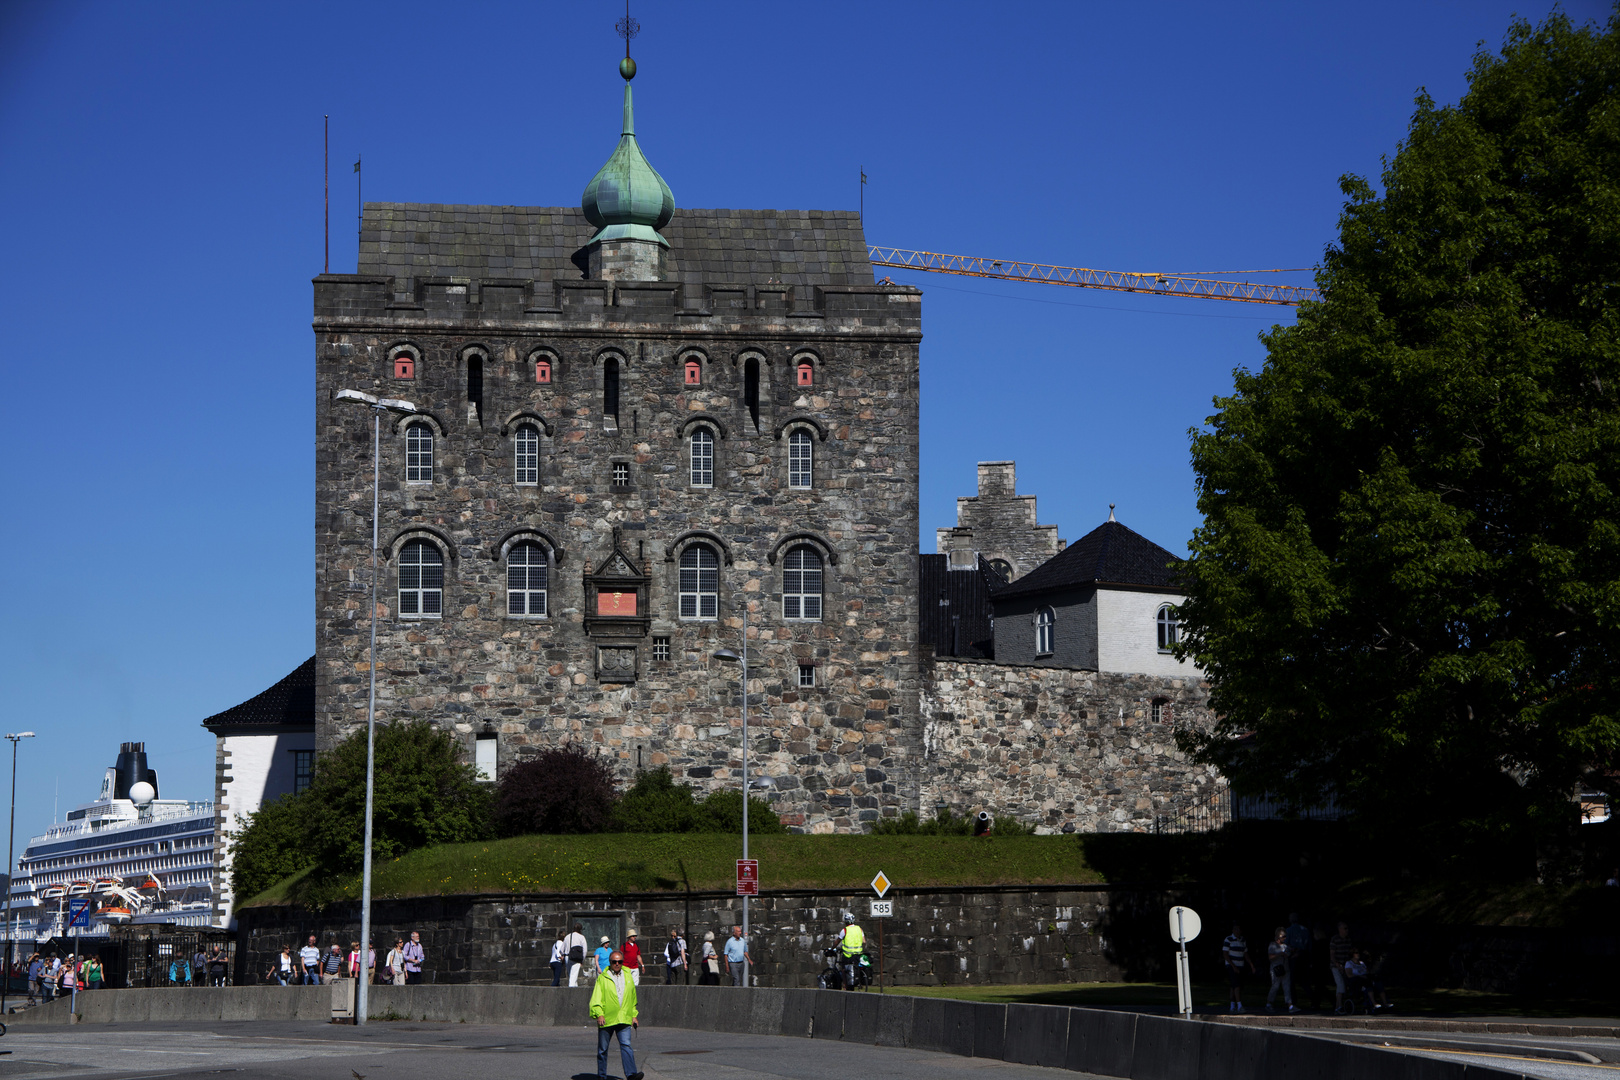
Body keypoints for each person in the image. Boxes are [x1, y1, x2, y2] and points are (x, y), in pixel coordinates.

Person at [589, 950, 642, 1080]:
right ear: (610, 962)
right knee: (603, 1049)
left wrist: (634, 1015)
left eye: (620, 962)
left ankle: (631, 1074)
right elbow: (596, 998)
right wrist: (599, 1014)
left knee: (626, 1045)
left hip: (624, 1017)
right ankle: (602, 1076)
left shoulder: (628, 976)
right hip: (607, 1018)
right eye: (614, 962)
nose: (617, 964)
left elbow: (632, 998)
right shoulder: (602, 978)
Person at [1283, 913, 1315, 1009]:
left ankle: (1293, 1002)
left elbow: (1285, 946)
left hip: (1293, 958)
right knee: (1304, 981)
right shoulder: (1305, 930)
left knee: (1291, 981)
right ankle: (1313, 1001)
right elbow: (1309, 946)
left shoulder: (1288, 931)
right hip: (1303, 956)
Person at [1222, 924, 1255, 1013]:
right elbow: (1225, 954)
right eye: (1235, 930)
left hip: (1240, 964)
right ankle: (1239, 1005)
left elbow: (1245, 953)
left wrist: (1251, 964)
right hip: (1231, 965)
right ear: (1233, 930)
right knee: (1236, 985)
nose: (1237, 931)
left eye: (1239, 930)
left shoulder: (1242, 940)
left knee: (1235, 985)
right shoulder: (1228, 939)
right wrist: (1233, 966)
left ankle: (1232, 1005)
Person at [1265, 927, 1298, 1013]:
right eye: (1283, 936)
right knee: (1275, 987)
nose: (1285, 938)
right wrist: (1279, 954)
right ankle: (1269, 1003)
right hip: (1276, 969)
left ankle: (1290, 1005)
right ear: (1279, 936)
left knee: (1287, 987)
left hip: (1285, 969)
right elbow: (1270, 957)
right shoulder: (1272, 945)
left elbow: (1288, 955)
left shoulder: (1286, 946)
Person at [1327, 922, 1354, 1014]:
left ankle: (1340, 1005)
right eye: (1345, 928)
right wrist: (1337, 965)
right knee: (1340, 984)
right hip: (1336, 966)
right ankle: (1338, 1006)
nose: (1347, 930)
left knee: (1343, 985)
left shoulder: (1348, 940)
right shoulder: (1335, 940)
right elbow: (1332, 955)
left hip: (1345, 965)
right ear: (1340, 929)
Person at [836, 913, 864, 992]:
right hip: (858, 954)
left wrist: (832, 948)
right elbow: (864, 941)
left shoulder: (845, 930)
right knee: (856, 968)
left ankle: (845, 985)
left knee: (844, 969)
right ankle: (859, 983)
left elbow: (837, 941)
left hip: (848, 955)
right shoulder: (859, 929)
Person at [564, 923, 589, 987]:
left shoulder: (567, 936)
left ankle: (576, 989)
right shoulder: (581, 937)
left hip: (567, 957)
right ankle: (571, 991)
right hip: (576, 957)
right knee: (573, 976)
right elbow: (585, 950)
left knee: (571, 975)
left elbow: (562, 949)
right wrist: (582, 960)